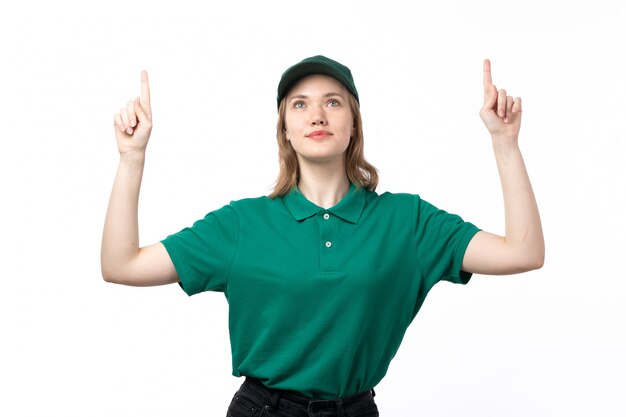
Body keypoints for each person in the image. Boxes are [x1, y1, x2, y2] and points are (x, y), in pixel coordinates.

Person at [101, 55, 544, 416]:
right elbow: (122, 265)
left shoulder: (407, 221)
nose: (316, 114)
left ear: (353, 123)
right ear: (286, 131)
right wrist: (131, 159)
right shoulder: (241, 224)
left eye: (333, 102)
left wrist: (505, 143)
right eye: (299, 104)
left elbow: (522, 252)